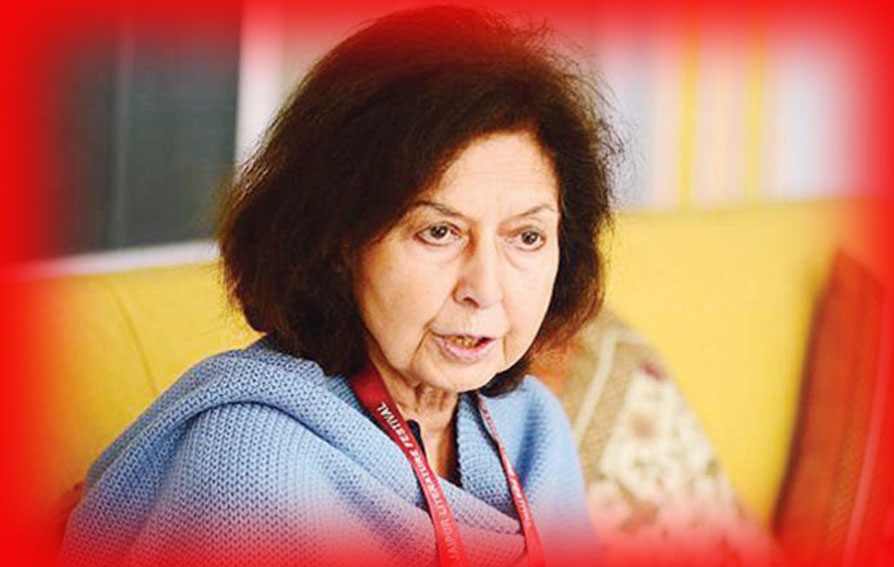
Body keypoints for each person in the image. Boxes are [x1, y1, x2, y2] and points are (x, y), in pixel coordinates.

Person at [59, 5, 620, 566]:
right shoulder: (252, 466)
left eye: (526, 237)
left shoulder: (531, 424)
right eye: (439, 232)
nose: (486, 289)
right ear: (338, 244)